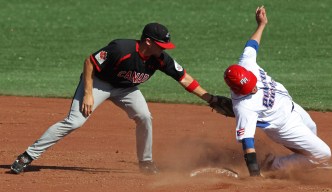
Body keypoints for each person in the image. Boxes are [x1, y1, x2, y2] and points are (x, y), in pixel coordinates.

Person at [11, 23, 218, 174]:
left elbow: (184, 78)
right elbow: (90, 62)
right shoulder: (121, 49)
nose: (164, 49)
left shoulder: (160, 59)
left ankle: (145, 162)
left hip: (126, 89)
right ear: (147, 41)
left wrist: (210, 99)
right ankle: (27, 156)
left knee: (145, 116)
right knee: (75, 121)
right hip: (99, 83)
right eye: (160, 45)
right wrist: (88, 93)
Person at [223, 6, 331, 176]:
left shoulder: (246, 64)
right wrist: (254, 173)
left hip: (294, 108)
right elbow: (247, 141)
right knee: (324, 154)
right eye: (248, 88)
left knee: (312, 133)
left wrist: (261, 24)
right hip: (285, 126)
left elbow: (251, 45)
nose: (254, 87)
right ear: (238, 91)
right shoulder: (244, 107)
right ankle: (274, 165)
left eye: (252, 82)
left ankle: (302, 164)